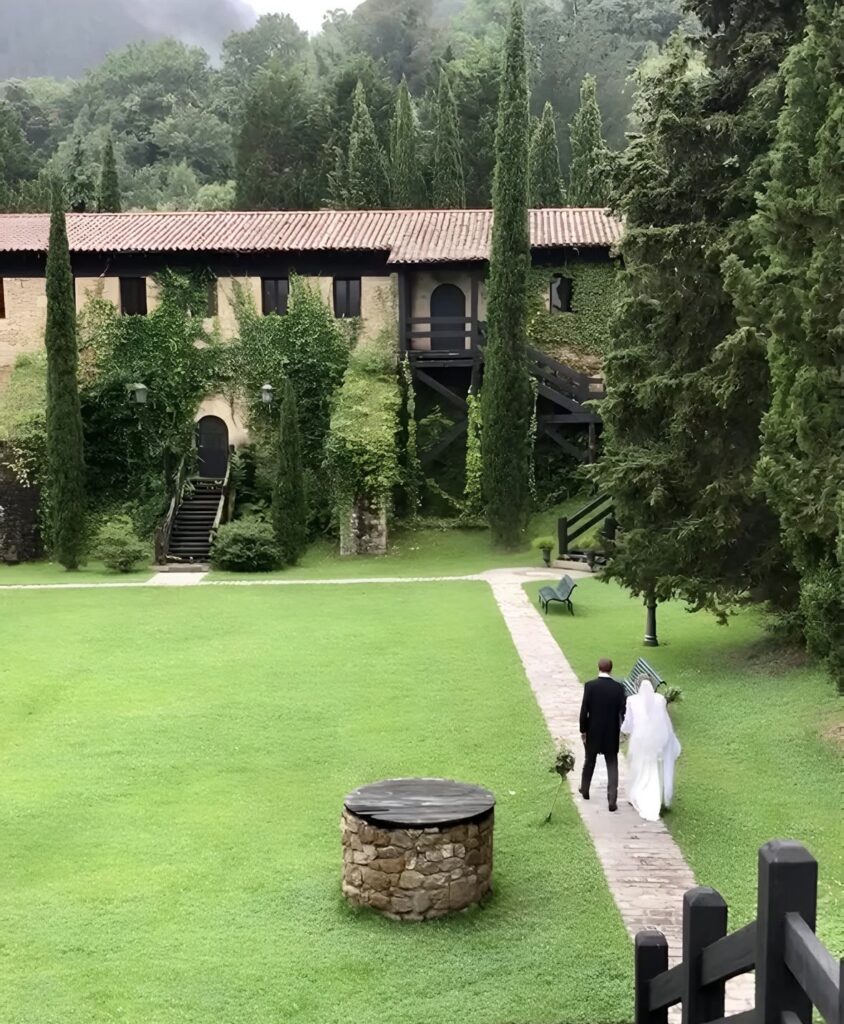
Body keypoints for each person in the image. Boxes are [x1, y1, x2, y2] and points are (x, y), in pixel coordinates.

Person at [621, 679, 681, 822]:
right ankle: (654, 797)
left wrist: (624, 730)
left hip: (640, 740)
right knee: (653, 769)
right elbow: (664, 720)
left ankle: (638, 794)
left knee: (639, 768)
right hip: (656, 741)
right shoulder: (660, 699)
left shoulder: (632, 700)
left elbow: (629, 722)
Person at [579, 658, 627, 812]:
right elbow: (623, 711)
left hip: (593, 731)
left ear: (598, 668)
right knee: (612, 764)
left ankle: (585, 789)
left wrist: (583, 730)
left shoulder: (590, 686)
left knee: (589, 760)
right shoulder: (619, 688)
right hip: (611, 732)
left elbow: (584, 711)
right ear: (611, 669)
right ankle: (612, 799)